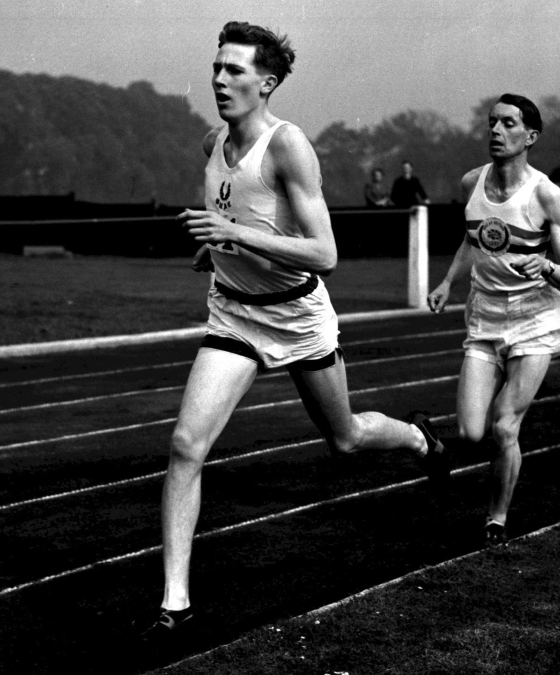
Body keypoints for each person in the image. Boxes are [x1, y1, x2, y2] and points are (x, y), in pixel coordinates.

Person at [140, 21, 449, 643]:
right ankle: (176, 599)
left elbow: (324, 252)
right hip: (233, 314)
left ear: (268, 82)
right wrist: (215, 250)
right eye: (217, 66)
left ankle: (417, 439)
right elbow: (233, 217)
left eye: (235, 70)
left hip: (297, 316)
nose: (219, 79)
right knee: (185, 445)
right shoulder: (212, 144)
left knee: (345, 440)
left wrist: (234, 236)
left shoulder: (288, 147)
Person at [426, 94, 560, 547]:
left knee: (504, 426)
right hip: (485, 315)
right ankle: (436, 443)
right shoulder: (471, 181)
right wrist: (447, 283)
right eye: (492, 122)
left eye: (508, 123)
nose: (495, 130)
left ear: (530, 136)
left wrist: (547, 267)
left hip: (535, 319)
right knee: (470, 431)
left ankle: (496, 518)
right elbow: (471, 241)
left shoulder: (546, 194)